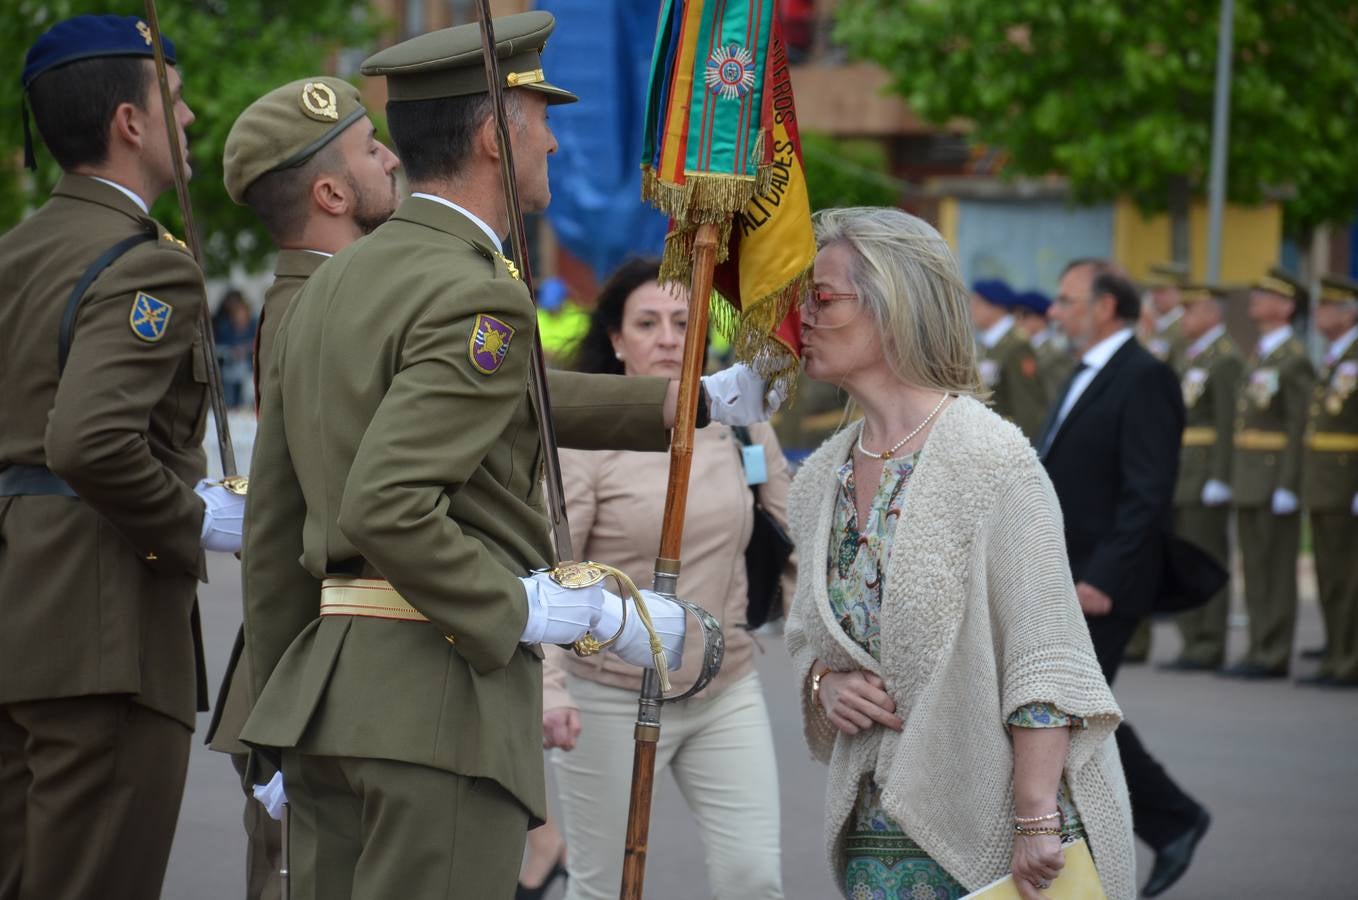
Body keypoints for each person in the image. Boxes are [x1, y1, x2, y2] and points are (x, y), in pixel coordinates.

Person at [237, 13, 779, 900]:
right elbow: (388, 504)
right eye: (541, 120)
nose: (555, 142)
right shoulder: (475, 290)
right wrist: (530, 608)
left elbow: (275, 521)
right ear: (495, 136)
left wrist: (695, 402)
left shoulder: (334, 280)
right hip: (434, 703)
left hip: (323, 697)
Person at [786, 208, 1135, 900]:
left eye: (822, 299)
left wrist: (1035, 819)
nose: (801, 319)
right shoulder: (817, 478)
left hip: (1002, 838)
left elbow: (1046, 658)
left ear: (895, 305)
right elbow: (807, 641)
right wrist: (825, 686)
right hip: (874, 835)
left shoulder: (993, 458)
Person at [0, 15, 243, 900]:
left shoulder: (16, 251)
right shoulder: (147, 265)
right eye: (172, 103)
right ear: (128, 124)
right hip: (101, 630)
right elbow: (89, 440)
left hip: (21, 613)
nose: (185, 123)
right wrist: (192, 518)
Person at [204, 74, 402, 900]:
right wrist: (282, 723)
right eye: (369, 148)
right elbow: (293, 540)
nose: (391, 157)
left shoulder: (332, 296)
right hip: (311, 686)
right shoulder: (315, 309)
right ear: (330, 191)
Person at [542, 258, 795, 900]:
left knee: (753, 877)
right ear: (618, 341)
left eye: (684, 322)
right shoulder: (584, 441)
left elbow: (788, 542)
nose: (668, 337)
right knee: (604, 889)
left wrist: (826, 653)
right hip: (608, 695)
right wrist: (550, 689)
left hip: (725, 685)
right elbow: (552, 575)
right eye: (647, 323)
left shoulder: (740, 425)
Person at [1041, 258, 1210, 897]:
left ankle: (1165, 823)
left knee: (1071, 715)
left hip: (1103, 582)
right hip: (1069, 572)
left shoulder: (1145, 376)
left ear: (1106, 306)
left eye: (1066, 299)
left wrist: (1104, 576)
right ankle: (1171, 823)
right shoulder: (1086, 371)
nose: (1055, 311)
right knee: (1076, 714)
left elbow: (1148, 491)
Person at [1223, 272, 1315, 679]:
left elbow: (1299, 426)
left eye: (1267, 295)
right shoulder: (1262, 354)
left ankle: (1273, 651)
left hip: (1274, 477)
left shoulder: (1294, 358)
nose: (1256, 300)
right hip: (1250, 478)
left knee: (1276, 571)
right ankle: (1259, 646)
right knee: (1256, 568)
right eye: (1256, 292)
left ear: (1288, 306)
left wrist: (1289, 484)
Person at [1161, 286, 1243, 672]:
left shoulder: (1225, 359)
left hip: (1206, 469)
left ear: (1212, 313)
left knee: (1206, 555)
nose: (1183, 319)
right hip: (1182, 469)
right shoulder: (1189, 354)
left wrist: (1221, 476)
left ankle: (1210, 642)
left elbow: (1228, 423)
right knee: (1185, 556)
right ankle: (1192, 640)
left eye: (1190, 311)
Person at [1298, 274, 1358, 688]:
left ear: (1348, 312)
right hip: (1327, 483)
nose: (1318, 313)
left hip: (1345, 480)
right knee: (1332, 575)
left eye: (1327, 307)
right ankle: (1337, 651)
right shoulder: (1337, 355)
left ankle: (1348, 659)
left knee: (1349, 578)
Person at [970, 278, 1047, 441]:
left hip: (1008, 441)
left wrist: (1024, 450)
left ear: (995, 306)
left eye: (977, 304)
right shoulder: (988, 344)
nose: (971, 310)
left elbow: (1027, 406)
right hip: (991, 437)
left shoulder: (1016, 346)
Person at [1013, 288, 1073, 405]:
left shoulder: (1055, 354)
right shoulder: (1022, 349)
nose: (1019, 321)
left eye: (1025, 315)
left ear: (1042, 317)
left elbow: (1056, 396)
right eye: (1016, 316)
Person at [213, 288, 258, 408]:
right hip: (229, 373)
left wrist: (247, 348)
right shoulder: (224, 328)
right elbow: (217, 349)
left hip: (248, 372)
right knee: (230, 405)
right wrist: (231, 352)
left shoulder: (254, 327)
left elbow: (259, 344)